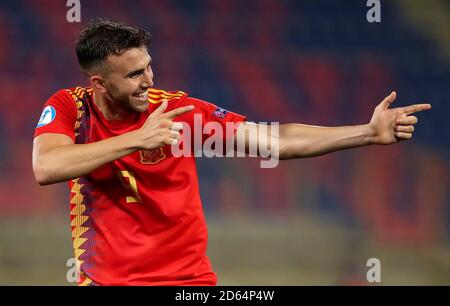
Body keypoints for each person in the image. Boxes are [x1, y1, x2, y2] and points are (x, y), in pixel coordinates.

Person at [32, 19, 431, 286]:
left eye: (149, 67)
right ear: (99, 84)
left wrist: (367, 132)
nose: (149, 80)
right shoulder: (71, 108)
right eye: (135, 74)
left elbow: (277, 141)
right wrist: (137, 139)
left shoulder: (179, 113)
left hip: (191, 285)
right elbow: (47, 166)